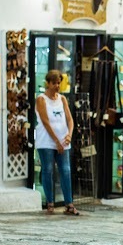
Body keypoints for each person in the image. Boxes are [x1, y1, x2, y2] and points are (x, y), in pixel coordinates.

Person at [35, 70, 79, 215]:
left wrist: (69, 136)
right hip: (47, 141)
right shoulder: (41, 99)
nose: (57, 86)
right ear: (48, 83)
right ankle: (50, 202)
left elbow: (70, 119)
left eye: (59, 83)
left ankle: (69, 203)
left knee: (65, 170)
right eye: (54, 83)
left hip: (63, 141)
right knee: (48, 170)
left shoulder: (62, 99)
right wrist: (56, 141)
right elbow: (45, 121)